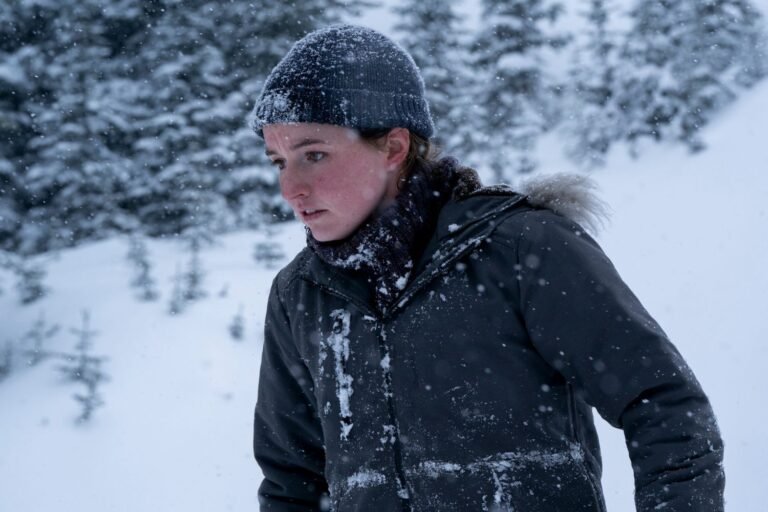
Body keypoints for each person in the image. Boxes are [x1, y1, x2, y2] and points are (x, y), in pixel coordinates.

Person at [250, 24, 724, 512]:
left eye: (314, 155)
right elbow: (292, 483)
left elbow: (662, 406)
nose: (290, 189)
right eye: (279, 162)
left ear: (393, 147)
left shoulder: (521, 250)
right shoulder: (300, 295)